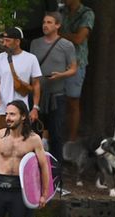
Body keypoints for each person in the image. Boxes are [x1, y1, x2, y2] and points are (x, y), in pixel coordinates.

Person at [29, 13, 76, 176]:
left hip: (57, 96)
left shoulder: (67, 45)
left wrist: (61, 75)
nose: (45, 25)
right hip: (38, 96)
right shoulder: (35, 44)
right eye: (43, 22)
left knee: (56, 135)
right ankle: (33, 171)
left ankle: (56, 174)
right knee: (34, 135)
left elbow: (73, 68)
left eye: (49, 22)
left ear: (58, 25)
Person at [0, 27, 42, 135]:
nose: (4, 43)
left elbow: (36, 84)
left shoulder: (31, 59)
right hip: (0, 109)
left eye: (8, 40)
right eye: (4, 40)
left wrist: (35, 108)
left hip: (20, 110)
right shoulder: (0, 58)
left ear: (17, 41)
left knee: (20, 144)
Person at [61, 0, 94, 141]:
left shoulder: (87, 13)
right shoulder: (61, 11)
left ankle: (71, 139)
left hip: (76, 62)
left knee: (72, 100)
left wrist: (58, 35)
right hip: (58, 62)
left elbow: (79, 38)